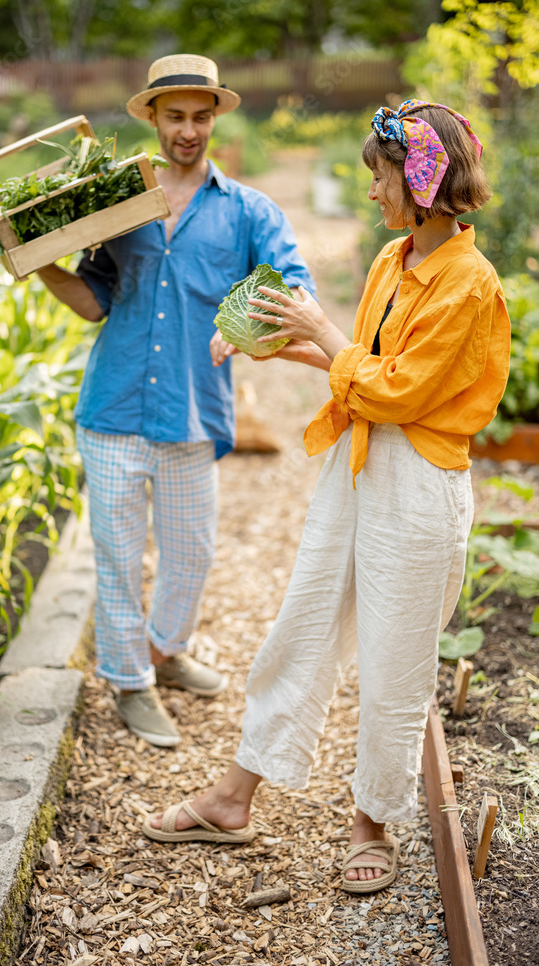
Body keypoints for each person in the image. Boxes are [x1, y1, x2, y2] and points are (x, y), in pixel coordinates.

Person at [143, 99, 511, 893]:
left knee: (394, 663)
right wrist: (285, 346)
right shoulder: (393, 261)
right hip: (359, 460)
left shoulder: (469, 284)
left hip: (417, 485)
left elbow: (401, 390)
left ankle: (370, 819)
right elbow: (365, 373)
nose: (370, 190)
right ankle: (236, 794)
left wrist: (321, 325)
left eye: (379, 177)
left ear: (420, 184)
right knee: (301, 623)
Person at [37, 54, 316, 748]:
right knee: (118, 555)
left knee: (191, 552)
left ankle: (166, 650)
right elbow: (92, 300)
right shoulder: (118, 203)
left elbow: (291, 283)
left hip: (193, 411)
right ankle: (129, 681)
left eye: (199, 117)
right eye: (174, 117)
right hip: (113, 408)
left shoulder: (247, 210)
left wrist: (240, 327)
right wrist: (38, 261)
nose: (187, 131)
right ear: (153, 120)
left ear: (213, 118)